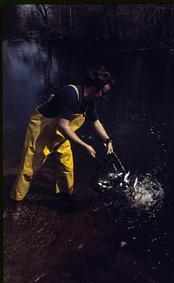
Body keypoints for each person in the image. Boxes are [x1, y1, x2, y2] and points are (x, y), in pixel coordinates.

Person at [10, 66, 114, 202]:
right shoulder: (71, 94)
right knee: (29, 168)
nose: (104, 96)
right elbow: (62, 125)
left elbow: (96, 123)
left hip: (61, 134)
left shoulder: (89, 103)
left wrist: (108, 140)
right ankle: (15, 200)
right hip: (41, 130)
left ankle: (66, 196)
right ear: (95, 87)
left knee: (66, 166)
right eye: (103, 92)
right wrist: (85, 146)